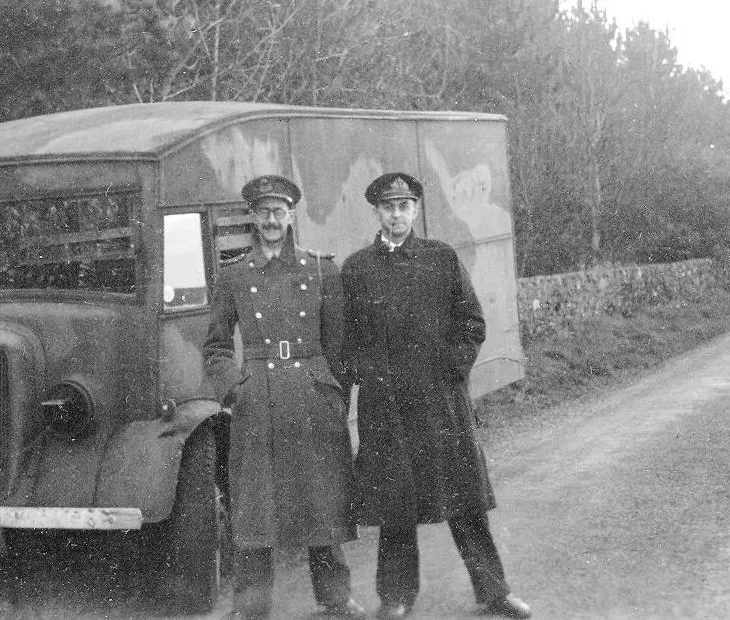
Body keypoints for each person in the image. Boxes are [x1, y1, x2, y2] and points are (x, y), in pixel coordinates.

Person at [340, 172, 532, 619]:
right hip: (385, 409)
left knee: (465, 501)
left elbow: (472, 324)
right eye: (389, 207)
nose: (397, 215)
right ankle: (396, 598)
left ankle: (494, 591)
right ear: (376, 213)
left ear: (416, 210)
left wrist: (450, 368)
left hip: (441, 402)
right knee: (395, 507)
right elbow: (345, 340)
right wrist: (365, 375)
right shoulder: (357, 268)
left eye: (405, 206)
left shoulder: (441, 259)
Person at [203, 174, 366, 619]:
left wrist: (333, 392)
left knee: (323, 496)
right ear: (252, 218)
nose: (271, 220)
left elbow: (340, 345)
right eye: (263, 213)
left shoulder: (320, 269)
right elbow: (216, 346)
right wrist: (235, 390)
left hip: (312, 395)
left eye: (279, 212)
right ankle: (251, 607)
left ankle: (335, 598)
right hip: (258, 399)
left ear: (291, 215)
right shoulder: (234, 276)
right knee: (255, 504)